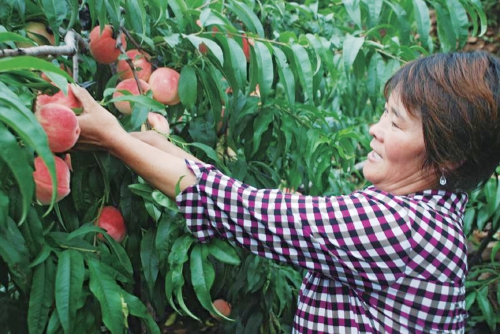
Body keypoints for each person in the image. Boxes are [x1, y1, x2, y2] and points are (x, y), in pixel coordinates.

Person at [71, 50, 500, 333]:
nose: (375, 129)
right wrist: (152, 145)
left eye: (395, 123)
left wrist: (114, 139)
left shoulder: (403, 228)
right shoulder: (431, 212)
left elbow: (242, 210)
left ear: (450, 157)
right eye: (383, 115)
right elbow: (242, 202)